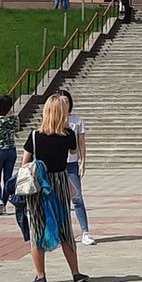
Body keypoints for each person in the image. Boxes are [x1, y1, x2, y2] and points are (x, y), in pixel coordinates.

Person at [20, 95, 87, 282]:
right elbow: (73, 152)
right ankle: (75, 272)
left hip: (39, 186)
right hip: (60, 183)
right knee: (64, 226)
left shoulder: (35, 136)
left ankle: (41, 275)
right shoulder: (68, 135)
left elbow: (25, 162)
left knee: (37, 227)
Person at [57, 89, 95, 246]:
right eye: (61, 102)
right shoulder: (53, 120)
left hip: (72, 164)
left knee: (77, 198)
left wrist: (83, 161)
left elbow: (81, 142)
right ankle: (63, 233)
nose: (64, 105)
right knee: (61, 200)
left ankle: (85, 231)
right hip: (57, 165)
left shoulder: (77, 121)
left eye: (66, 102)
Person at [0, 94, 18, 214]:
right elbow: (17, 127)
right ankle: (4, 205)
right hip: (11, 151)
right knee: (7, 179)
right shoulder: (14, 120)